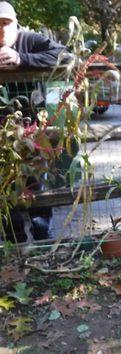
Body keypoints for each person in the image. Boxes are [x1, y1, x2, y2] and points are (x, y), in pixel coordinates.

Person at [0, 1, 68, 243]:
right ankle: (13, 240)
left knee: (36, 182)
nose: (1, 30)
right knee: (6, 186)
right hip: (2, 135)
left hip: (32, 130)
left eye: (5, 24)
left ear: (15, 24)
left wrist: (21, 59)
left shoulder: (30, 40)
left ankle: (42, 236)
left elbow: (64, 55)